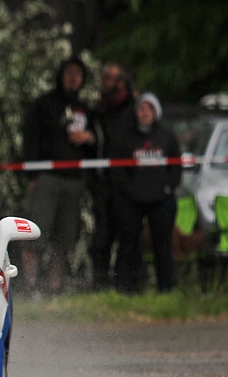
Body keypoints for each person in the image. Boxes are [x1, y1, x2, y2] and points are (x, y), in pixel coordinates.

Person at [20, 56, 96, 294]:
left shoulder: (85, 109)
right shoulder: (44, 104)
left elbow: (99, 144)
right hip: (46, 177)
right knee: (36, 233)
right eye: (69, 73)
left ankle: (55, 287)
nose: (73, 78)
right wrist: (32, 176)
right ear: (61, 75)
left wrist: (89, 138)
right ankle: (31, 285)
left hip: (74, 180)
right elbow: (29, 139)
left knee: (64, 239)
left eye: (78, 74)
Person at [110, 93, 181, 293]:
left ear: (156, 111)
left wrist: (167, 187)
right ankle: (126, 288)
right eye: (141, 108)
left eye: (149, 108)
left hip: (161, 200)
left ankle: (166, 289)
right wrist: (128, 190)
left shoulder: (166, 136)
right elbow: (117, 168)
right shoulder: (125, 137)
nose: (145, 113)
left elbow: (176, 166)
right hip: (131, 200)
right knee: (128, 244)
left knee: (163, 245)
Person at [88, 62, 136, 289]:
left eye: (109, 77)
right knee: (102, 236)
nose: (103, 81)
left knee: (128, 235)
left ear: (121, 82)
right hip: (103, 181)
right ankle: (100, 283)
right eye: (103, 76)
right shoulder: (97, 111)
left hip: (127, 182)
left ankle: (127, 283)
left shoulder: (134, 109)